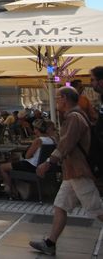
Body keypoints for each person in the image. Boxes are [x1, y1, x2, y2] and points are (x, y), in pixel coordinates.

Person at [29, 86, 103, 255]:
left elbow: (66, 144)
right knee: (60, 206)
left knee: (96, 209)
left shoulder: (74, 117)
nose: (56, 102)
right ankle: (50, 243)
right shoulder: (76, 115)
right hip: (71, 172)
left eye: (57, 98)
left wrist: (48, 162)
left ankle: (50, 243)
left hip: (78, 171)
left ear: (64, 99)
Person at [0, 119, 56, 197]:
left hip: (32, 166)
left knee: (2, 167)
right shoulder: (52, 140)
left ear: (36, 129)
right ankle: (17, 188)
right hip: (44, 166)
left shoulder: (38, 140)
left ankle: (11, 190)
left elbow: (27, 156)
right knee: (13, 162)